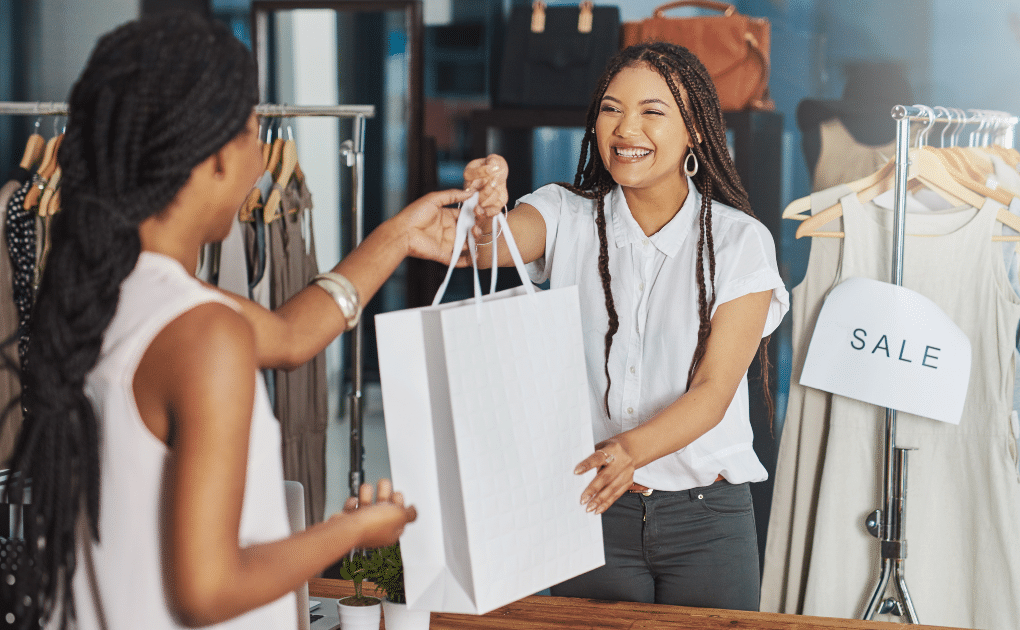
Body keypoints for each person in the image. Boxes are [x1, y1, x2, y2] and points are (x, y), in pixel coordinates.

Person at [2, 13, 477, 629]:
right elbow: (208, 589)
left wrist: (396, 237)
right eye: (254, 133)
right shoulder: (203, 332)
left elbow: (288, 338)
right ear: (214, 160)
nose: (262, 160)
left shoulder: (104, 289)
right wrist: (352, 529)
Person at [459, 41, 788, 610]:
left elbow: (712, 395)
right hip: (595, 510)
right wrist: (485, 208)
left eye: (652, 111)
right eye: (612, 109)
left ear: (697, 132)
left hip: (708, 521)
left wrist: (627, 451)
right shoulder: (563, 213)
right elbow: (490, 246)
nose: (625, 127)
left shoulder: (739, 242)